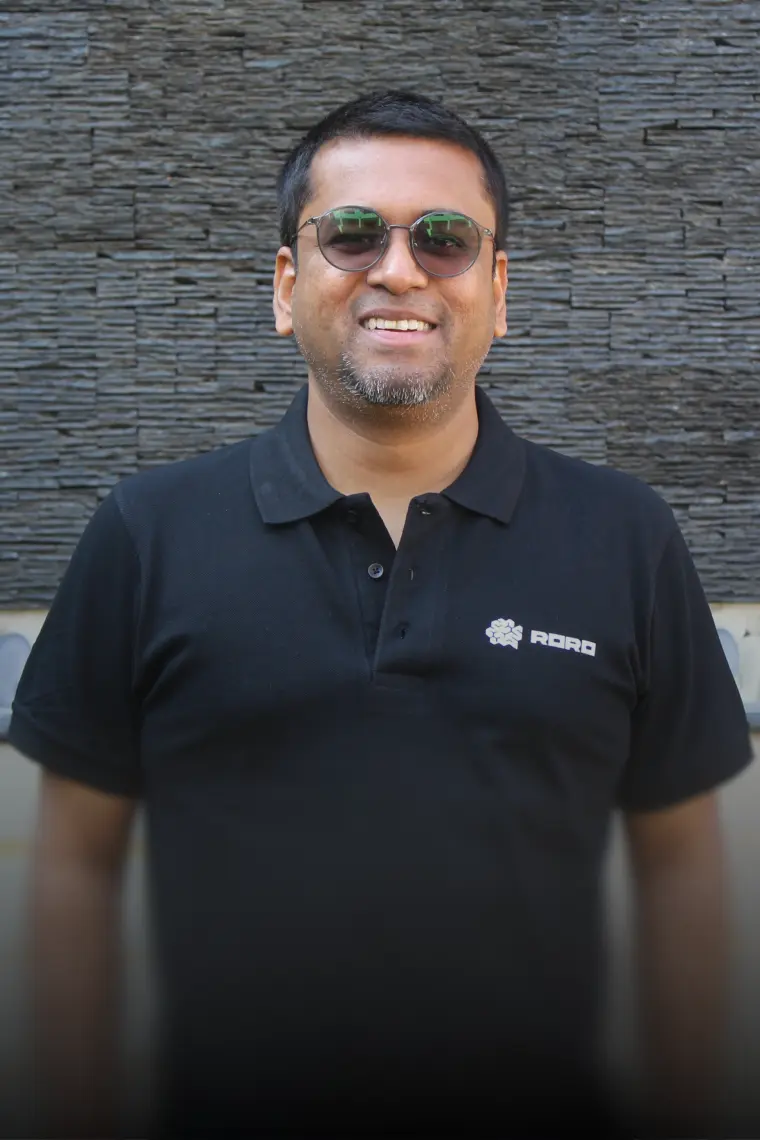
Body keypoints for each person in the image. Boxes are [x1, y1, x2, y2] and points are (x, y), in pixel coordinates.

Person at [8, 89, 753, 1139]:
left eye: (445, 239)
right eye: (353, 234)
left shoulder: (625, 536)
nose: (399, 270)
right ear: (286, 285)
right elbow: (75, 864)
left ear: (498, 291)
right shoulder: (147, 532)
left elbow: (679, 865)